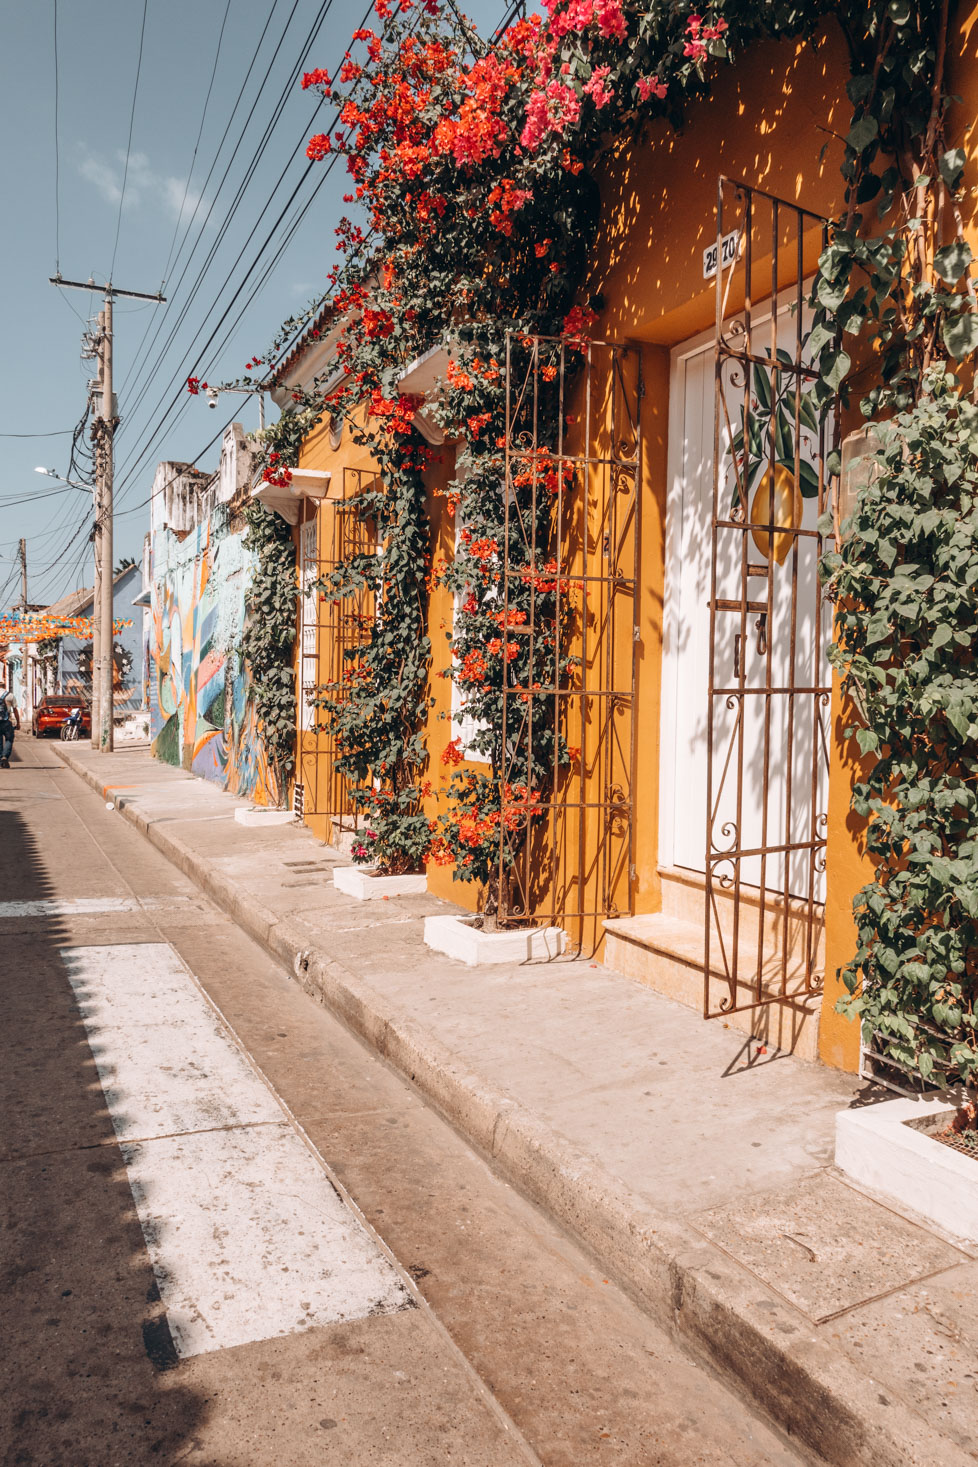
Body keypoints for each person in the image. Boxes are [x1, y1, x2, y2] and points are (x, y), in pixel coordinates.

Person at [0, 689, 19, 768]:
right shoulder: (10, 695)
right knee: (9, 739)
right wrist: (18, 722)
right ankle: (4, 756)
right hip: (6, 722)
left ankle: (1, 758)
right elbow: (15, 710)